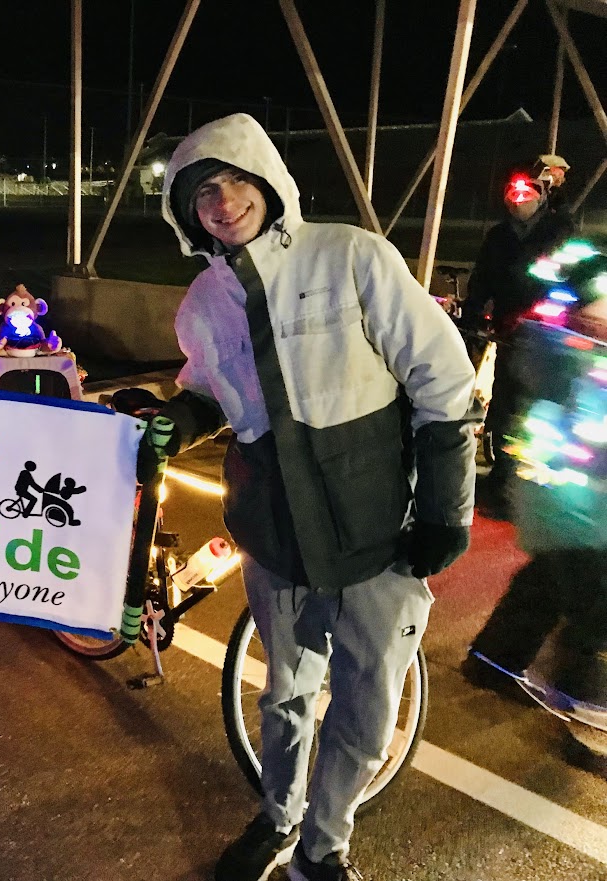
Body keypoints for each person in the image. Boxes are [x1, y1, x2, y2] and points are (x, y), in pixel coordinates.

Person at [148, 114, 479, 881]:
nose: (223, 202)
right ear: (185, 214)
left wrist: (443, 507)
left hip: (377, 534)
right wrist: (180, 415)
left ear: (265, 179)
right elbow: (210, 389)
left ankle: (323, 847)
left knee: (365, 709)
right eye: (201, 195)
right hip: (277, 538)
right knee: (285, 698)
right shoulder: (203, 301)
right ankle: (278, 818)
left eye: (234, 181)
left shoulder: (352, 255)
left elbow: (442, 376)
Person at [464, 241, 607, 723]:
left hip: (569, 503)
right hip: (576, 502)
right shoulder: (571, 354)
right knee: (595, 605)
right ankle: (586, 703)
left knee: (547, 581)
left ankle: (494, 659)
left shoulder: (566, 349)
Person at [461, 166, 574, 518]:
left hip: (550, 336)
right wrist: (474, 316)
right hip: (511, 333)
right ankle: (503, 481)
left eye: (528, 193)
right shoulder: (498, 237)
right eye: (514, 194)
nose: (520, 199)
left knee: (543, 408)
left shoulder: (560, 229)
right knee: (508, 406)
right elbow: (482, 279)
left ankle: (536, 484)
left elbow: (568, 274)